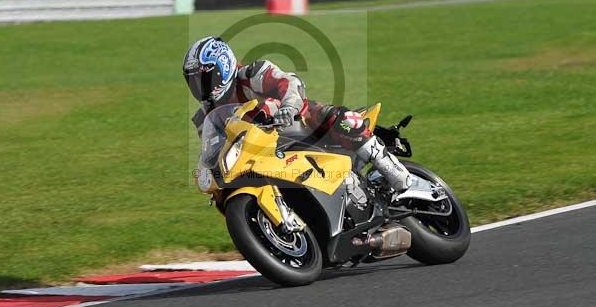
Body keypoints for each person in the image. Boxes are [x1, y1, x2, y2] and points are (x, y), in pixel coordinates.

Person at [183, 36, 434, 198]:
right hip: (263, 155)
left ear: (224, 67)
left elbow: (289, 83)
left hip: (299, 124)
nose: (201, 87)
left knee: (340, 118)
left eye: (205, 78)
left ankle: (402, 179)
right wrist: (209, 171)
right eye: (194, 82)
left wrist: (286, 107)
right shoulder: (204, 117)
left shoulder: (252, 73)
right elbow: (213, 148)